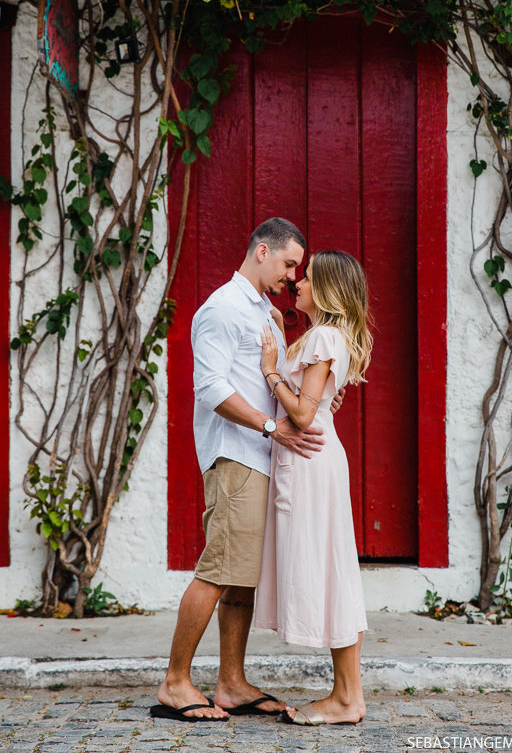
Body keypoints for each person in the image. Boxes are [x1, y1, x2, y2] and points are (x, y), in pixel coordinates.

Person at [152, 218, 343, 724]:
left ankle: (231, 683)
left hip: (261, 457)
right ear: (262, 251)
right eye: (287, 263)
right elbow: (210, 389)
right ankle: (175, 682)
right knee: (218, 571)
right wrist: (269, 427)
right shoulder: (223, 308)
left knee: (241, 578)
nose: (292, 274)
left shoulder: (264, 313)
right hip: (236, 454)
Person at [255, 250, 373, 726]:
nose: (296, 283)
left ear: (325, 289)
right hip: (310, 459)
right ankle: (347, 695)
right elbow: (314, 402)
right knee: (334, 567)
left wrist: (269, 370)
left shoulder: (323, 334)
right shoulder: (324, 336)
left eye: (305, 278)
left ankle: (347, 698)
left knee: (331, 570)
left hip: (309, 460)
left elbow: (302, 415)